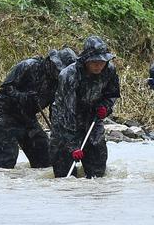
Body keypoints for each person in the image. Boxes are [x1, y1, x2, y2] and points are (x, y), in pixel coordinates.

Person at [0, 47, 77, 169]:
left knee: (44, 155)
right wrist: (23, 96)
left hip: (27, 116)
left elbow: (56, 110)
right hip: (3, 113)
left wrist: (61, 134)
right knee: (6, 159)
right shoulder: (29, 66)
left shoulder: (60, 82)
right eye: (57, 68)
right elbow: (5, 88)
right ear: (50, 62)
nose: (58, 73)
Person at [49, 36, 120, 178]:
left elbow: (112, 94)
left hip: (92, 118)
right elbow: (66, 112)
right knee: (65, 176)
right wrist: (73, 145)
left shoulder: (109, 70)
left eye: (102, 61)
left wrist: (105, 107)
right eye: (94, 62)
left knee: (97, 172)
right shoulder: (69, 74)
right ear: (86, 60)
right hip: (64, 123)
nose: (99, 65)